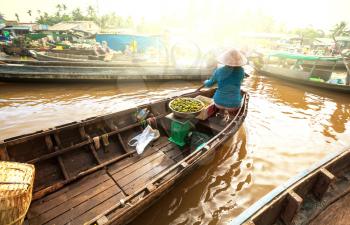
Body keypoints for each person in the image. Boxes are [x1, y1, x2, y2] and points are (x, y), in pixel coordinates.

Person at [203, 48, 247, 121]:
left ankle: (221, 114)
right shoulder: (241, 71)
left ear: (225, 59)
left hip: (218, 102)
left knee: (221, 106)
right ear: (239, 60)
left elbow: (209, 84)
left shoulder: (219, 71)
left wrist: (205, 82)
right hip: (233, 104)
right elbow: (240, 81)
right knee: (233, 113)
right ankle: (231, 119)